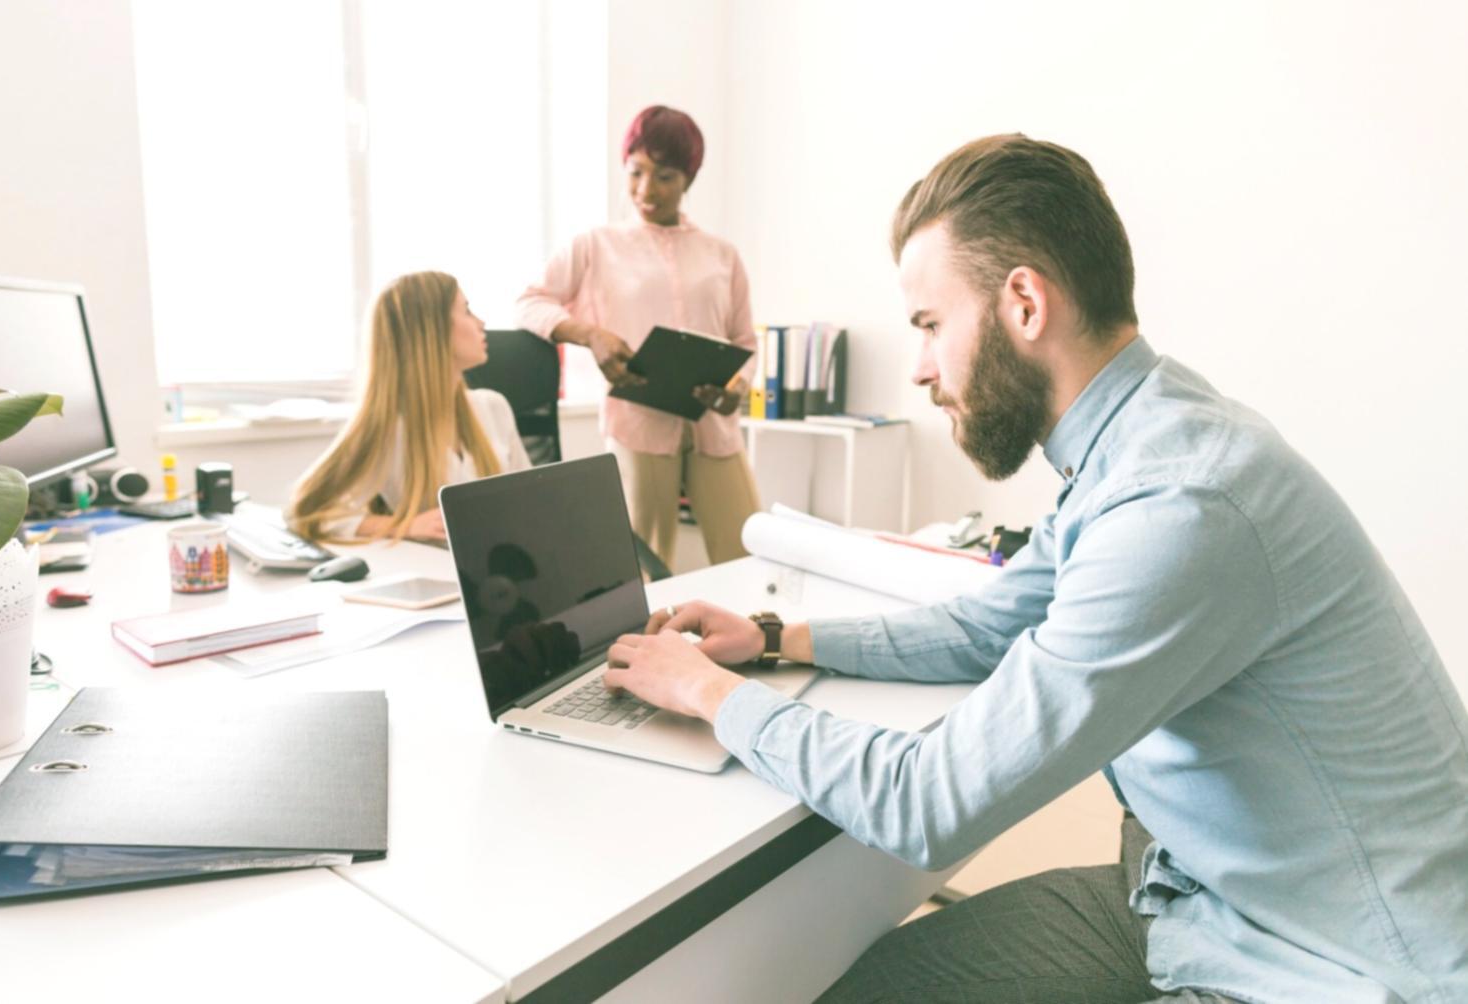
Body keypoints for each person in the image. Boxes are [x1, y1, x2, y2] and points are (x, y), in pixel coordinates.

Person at [603, 135, 1468, 1002]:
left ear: (1022, 303)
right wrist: (773, 637)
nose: (920, 368)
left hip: (1327, 964)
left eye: (930, 325)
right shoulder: (1138, 441)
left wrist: (706, 693)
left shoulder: (1178, 504)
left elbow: (926, 803)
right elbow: (987, 625)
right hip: (1197, 892)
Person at [516, 104, 759, 568]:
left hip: (714, 424)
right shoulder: (595, 245)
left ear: (688, 178)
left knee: (749, 555)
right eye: (636, 172)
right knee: (644, 567)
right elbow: (530, 302)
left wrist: (737, 387)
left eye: (665, 176)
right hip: (638, 422)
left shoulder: (722, 255)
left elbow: (744, 341)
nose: (647, 190)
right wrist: (591, 335)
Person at [290, 271, 530, 542]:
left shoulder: (493, 407)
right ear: (432, 330)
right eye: (466, 311)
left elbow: (530, 499)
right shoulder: (387, 429)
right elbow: (309, 514)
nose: (481, 323)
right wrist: (403, 526)